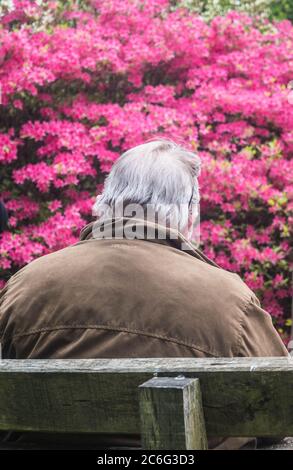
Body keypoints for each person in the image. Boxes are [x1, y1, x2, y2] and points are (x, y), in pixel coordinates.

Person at [0, 139, 288, 449]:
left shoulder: (25, 284)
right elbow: (281, 408)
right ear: (189, 216)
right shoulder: (230, 300)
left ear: (103, 204)